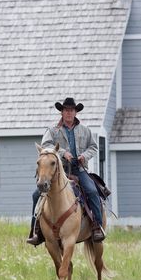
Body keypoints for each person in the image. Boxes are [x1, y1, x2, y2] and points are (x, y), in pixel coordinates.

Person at [27, 97, 105, 245]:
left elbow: (93, 147)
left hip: (79, 169)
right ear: (61, 112)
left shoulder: (85, 130)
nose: (69, 113)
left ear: (76, 112)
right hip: (58, 169)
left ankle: (97, 226)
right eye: (66, 110)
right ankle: (36, 231)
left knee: (92, 191)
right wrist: (63, 153)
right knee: (36, 194)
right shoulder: (52, 131)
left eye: (71, 110)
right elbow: (46, 145)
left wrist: (84, 156)